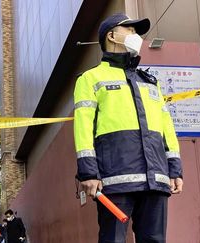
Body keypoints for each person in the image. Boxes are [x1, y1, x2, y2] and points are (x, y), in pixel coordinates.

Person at [73, 13, 183, 243]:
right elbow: (83, 127)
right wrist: (89, 173)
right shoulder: (90, 78)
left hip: (156, 177)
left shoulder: (150, 82)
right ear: (111, 36)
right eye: (130, 30)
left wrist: (175, 169)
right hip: (115, 178)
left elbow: (166, 127)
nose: (136, 36)